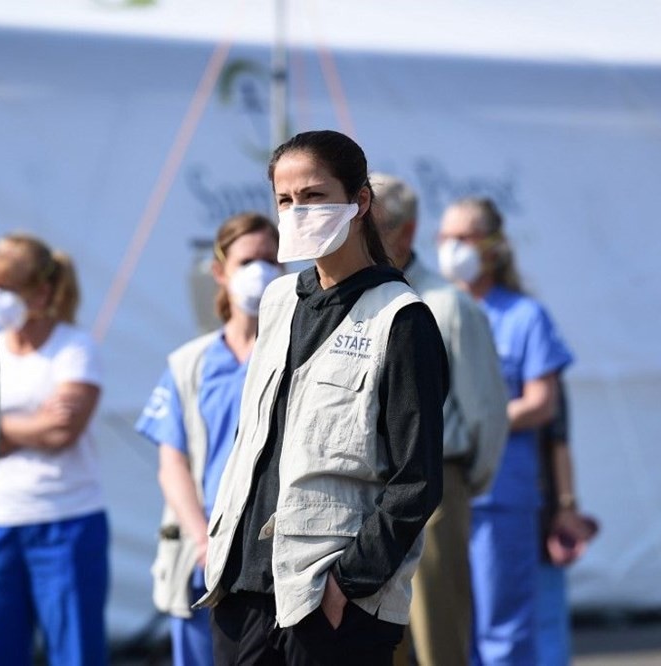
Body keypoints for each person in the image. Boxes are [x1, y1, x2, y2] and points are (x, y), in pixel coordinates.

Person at [198, 130, 449, 666]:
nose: (297, 212)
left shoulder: (401, 319)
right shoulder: (278, 300)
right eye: (285, 201)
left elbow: (417, 478)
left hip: (328, 600)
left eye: (313, 196)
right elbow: (255, 440)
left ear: (360, 202)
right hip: (242, 588)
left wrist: (347, 584)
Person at [369, 174, 509, 666]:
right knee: (375, 642)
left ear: (405, 232)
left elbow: (487, 414)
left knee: (436, 639)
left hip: (434, 487)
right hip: (363, 490)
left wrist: (457, 485)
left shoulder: (448, 305)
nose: (357, 230)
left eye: (372, 221)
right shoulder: (349, 302)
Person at [136, 212, 281, 666]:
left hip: (274, 555)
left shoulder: (298, 353)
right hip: (204, 554)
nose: (260, 271)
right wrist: (202, 540)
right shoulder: (189, 364)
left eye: (270, 260)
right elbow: (172, 463)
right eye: (247, 261)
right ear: (219, 271)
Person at [437, 197, 573, 665]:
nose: (451, 248)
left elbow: (543, 404)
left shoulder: (524, 317)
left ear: (492, 247)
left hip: (501, 497)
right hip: (439, 496)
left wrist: (473, 424)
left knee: (503, 630)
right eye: (445, 238)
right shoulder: (430, 310)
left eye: (464, 238)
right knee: (448, 628)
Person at [0, 233, 109, 666]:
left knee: (76, 654)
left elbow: (64, 429)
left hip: (68, 524)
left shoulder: (75, 347)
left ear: (42, 292)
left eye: (7, 288)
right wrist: (32, 424)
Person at [537, 377, 598, 666]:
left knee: (545, 621)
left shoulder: (532, 341)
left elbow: (559, 441)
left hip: (538, 511)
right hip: (516, 509)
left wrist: (566, 506)